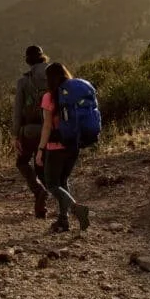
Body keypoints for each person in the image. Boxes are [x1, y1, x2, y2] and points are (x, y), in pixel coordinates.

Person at [36, 62, 91, 232]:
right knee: (63, 182)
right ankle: (63, 220)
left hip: (55, 147)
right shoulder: (74, 94)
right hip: (73, 145)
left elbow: (47, 126)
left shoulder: (49, 97)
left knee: (52, 185)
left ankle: (76, 208)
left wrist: (40, 150)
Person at [13, 45, 50, 218]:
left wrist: (15, 135)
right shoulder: (55, 75)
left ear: (28, 60)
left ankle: (39, 192)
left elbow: (18, 111)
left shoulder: (24, 81)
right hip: (52, 130)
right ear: (43, 58)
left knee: (22, 162)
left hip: (30, 131)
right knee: (41, 165)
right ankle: (46, 204)